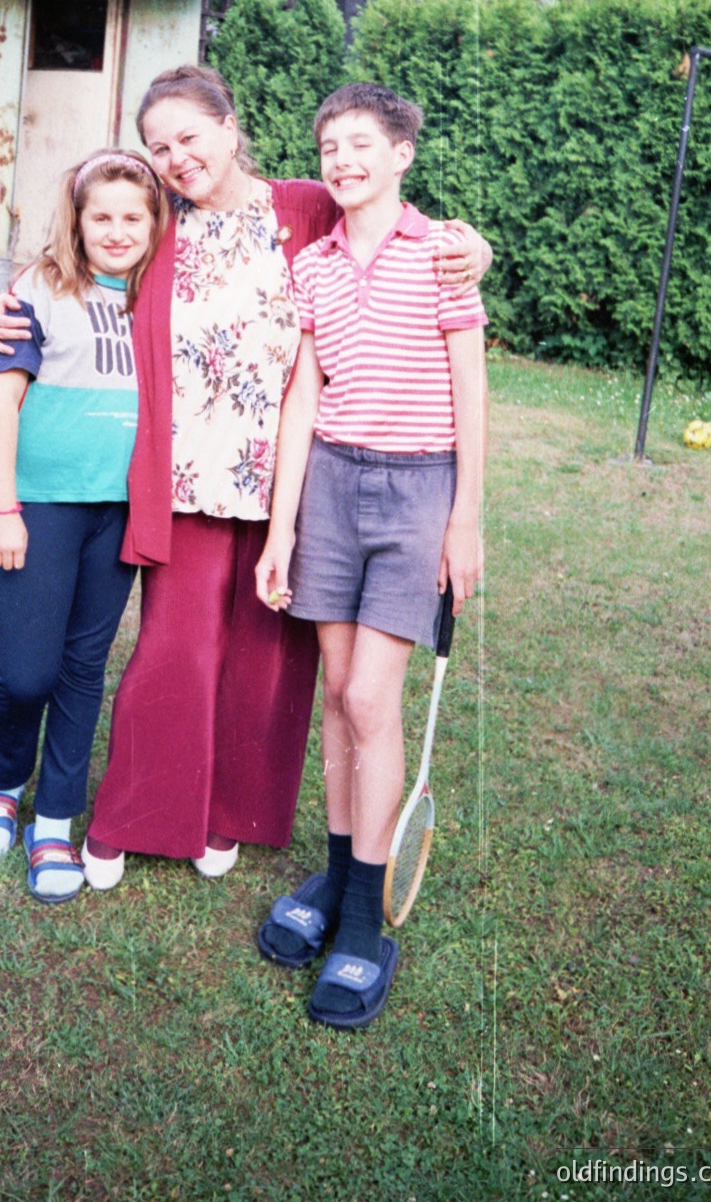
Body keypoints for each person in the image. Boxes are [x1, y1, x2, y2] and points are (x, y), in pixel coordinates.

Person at [0, 66, 492, 890]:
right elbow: (77, 260)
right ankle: (133, 816)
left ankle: (227, 813)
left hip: (295, 484)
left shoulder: (301, 206)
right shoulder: (158, 228)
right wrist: (5, 305)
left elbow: (398, 218)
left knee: (264, 663)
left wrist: (474, 246)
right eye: (160, 146)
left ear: (229, 126)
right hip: (184, 480)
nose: (177, 156)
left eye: (190, 135)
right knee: (175, 651)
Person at [253, 82, 488, 1030]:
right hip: (331, 491)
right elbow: (303, 397)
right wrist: (280, 528)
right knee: (338, 692)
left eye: (360, 143)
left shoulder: (441, 254)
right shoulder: (310, 264)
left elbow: (470, 393)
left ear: (401, 154)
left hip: (417, 488)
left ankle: (362, 919)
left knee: (366, 700)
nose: (341, 159)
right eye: (328, 146)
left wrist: (463, 519)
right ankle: (344, 864)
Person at [0, 150, 168, 904]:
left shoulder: (161, 294)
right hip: (42, 506)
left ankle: (53, 817)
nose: (117, 231)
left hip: (119, 512)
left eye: (132, 217)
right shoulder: (37, 290)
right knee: (27, 671)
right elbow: (0, 403)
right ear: (76, 222)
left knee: (84, 667)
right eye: (101, 216)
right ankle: (1, 781)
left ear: (154, 224)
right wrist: (1, 506)